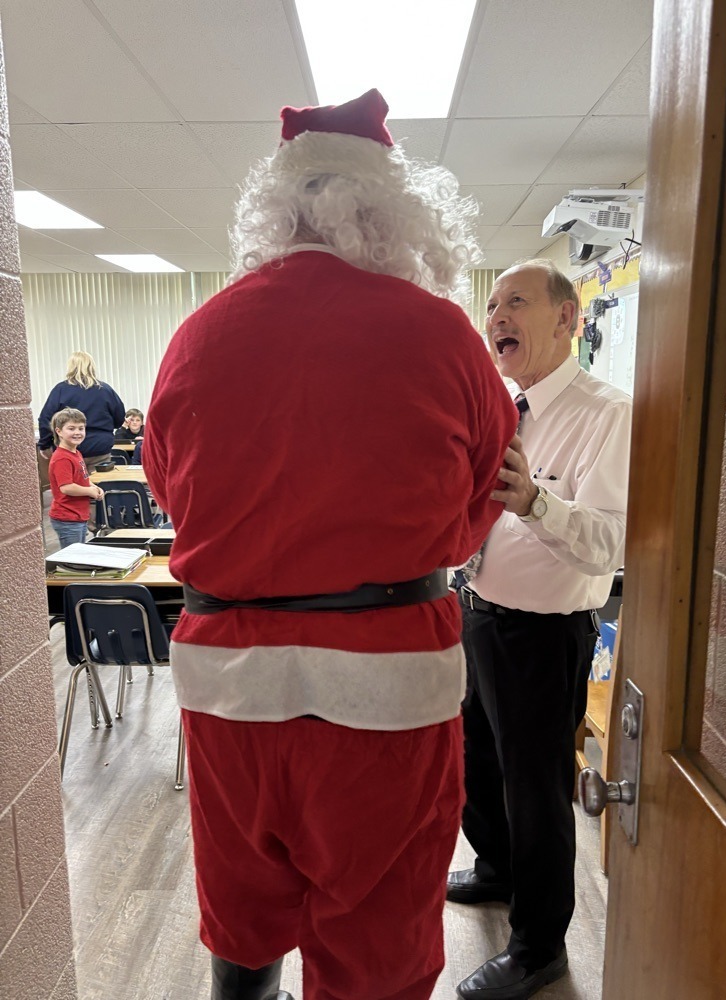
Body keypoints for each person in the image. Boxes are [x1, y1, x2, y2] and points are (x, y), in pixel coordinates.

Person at [143, 88, 518, 1000]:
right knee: (378, 939)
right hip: (385, 684)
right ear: (393, 214)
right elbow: (486, 492)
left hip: (230, 686)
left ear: (277, 212)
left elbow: (169, 486)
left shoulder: (196, 336)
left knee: (242, 911)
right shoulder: (441, 334)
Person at [449, 259, 632, 1000]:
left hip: (545, 639)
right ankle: (496, 871)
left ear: (568, 317)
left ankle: (539, 946)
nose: (496, 317)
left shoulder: (608, 413)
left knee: (537, 790)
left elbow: (611, 543)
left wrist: (535, 503)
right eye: (491, 304)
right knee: (478, 766)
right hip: (480, 614)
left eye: (515, 302)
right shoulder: (501, 406)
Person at [38, 351, 125, 473]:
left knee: (71, 486)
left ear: (70, 367)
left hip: (69, 447)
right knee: (100, 487)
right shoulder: (105, 390)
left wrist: (45, 445)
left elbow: (45, 419)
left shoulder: (60, 390)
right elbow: (119, 417)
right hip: (99, 447)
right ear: (92, 366)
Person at [47, 407, 105, 548]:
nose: (77, 433)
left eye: (81, 428)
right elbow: (67, 487)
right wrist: (89, 492)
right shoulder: (62, 458)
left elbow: (81, 478)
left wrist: (93, 486)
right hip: (67, 517)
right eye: (71, 428)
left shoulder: (75, 452)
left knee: (80, 553)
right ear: (59, 431)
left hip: (78, 515)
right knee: (73, 559)